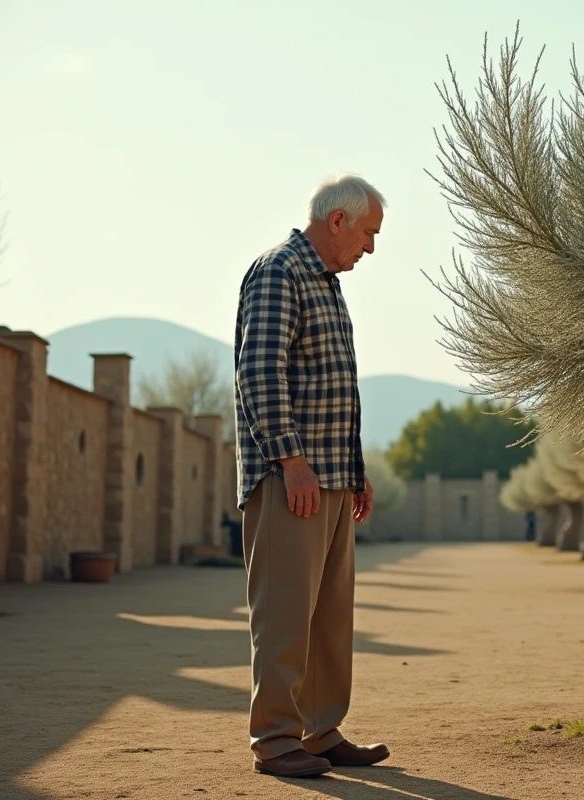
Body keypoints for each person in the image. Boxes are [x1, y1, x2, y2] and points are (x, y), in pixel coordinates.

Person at [234, 172, 389, 778]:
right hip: (288, 480)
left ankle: (321, 732)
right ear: (338, 220)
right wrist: (292, 462)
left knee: (328, 618)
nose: (369, 248)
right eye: (368, 234)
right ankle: (276, 742)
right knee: (284, 615)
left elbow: (331, 385)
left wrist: (355, 471)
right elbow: (260, 372)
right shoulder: (279, 271)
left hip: (331, 478)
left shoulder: (326, 282)